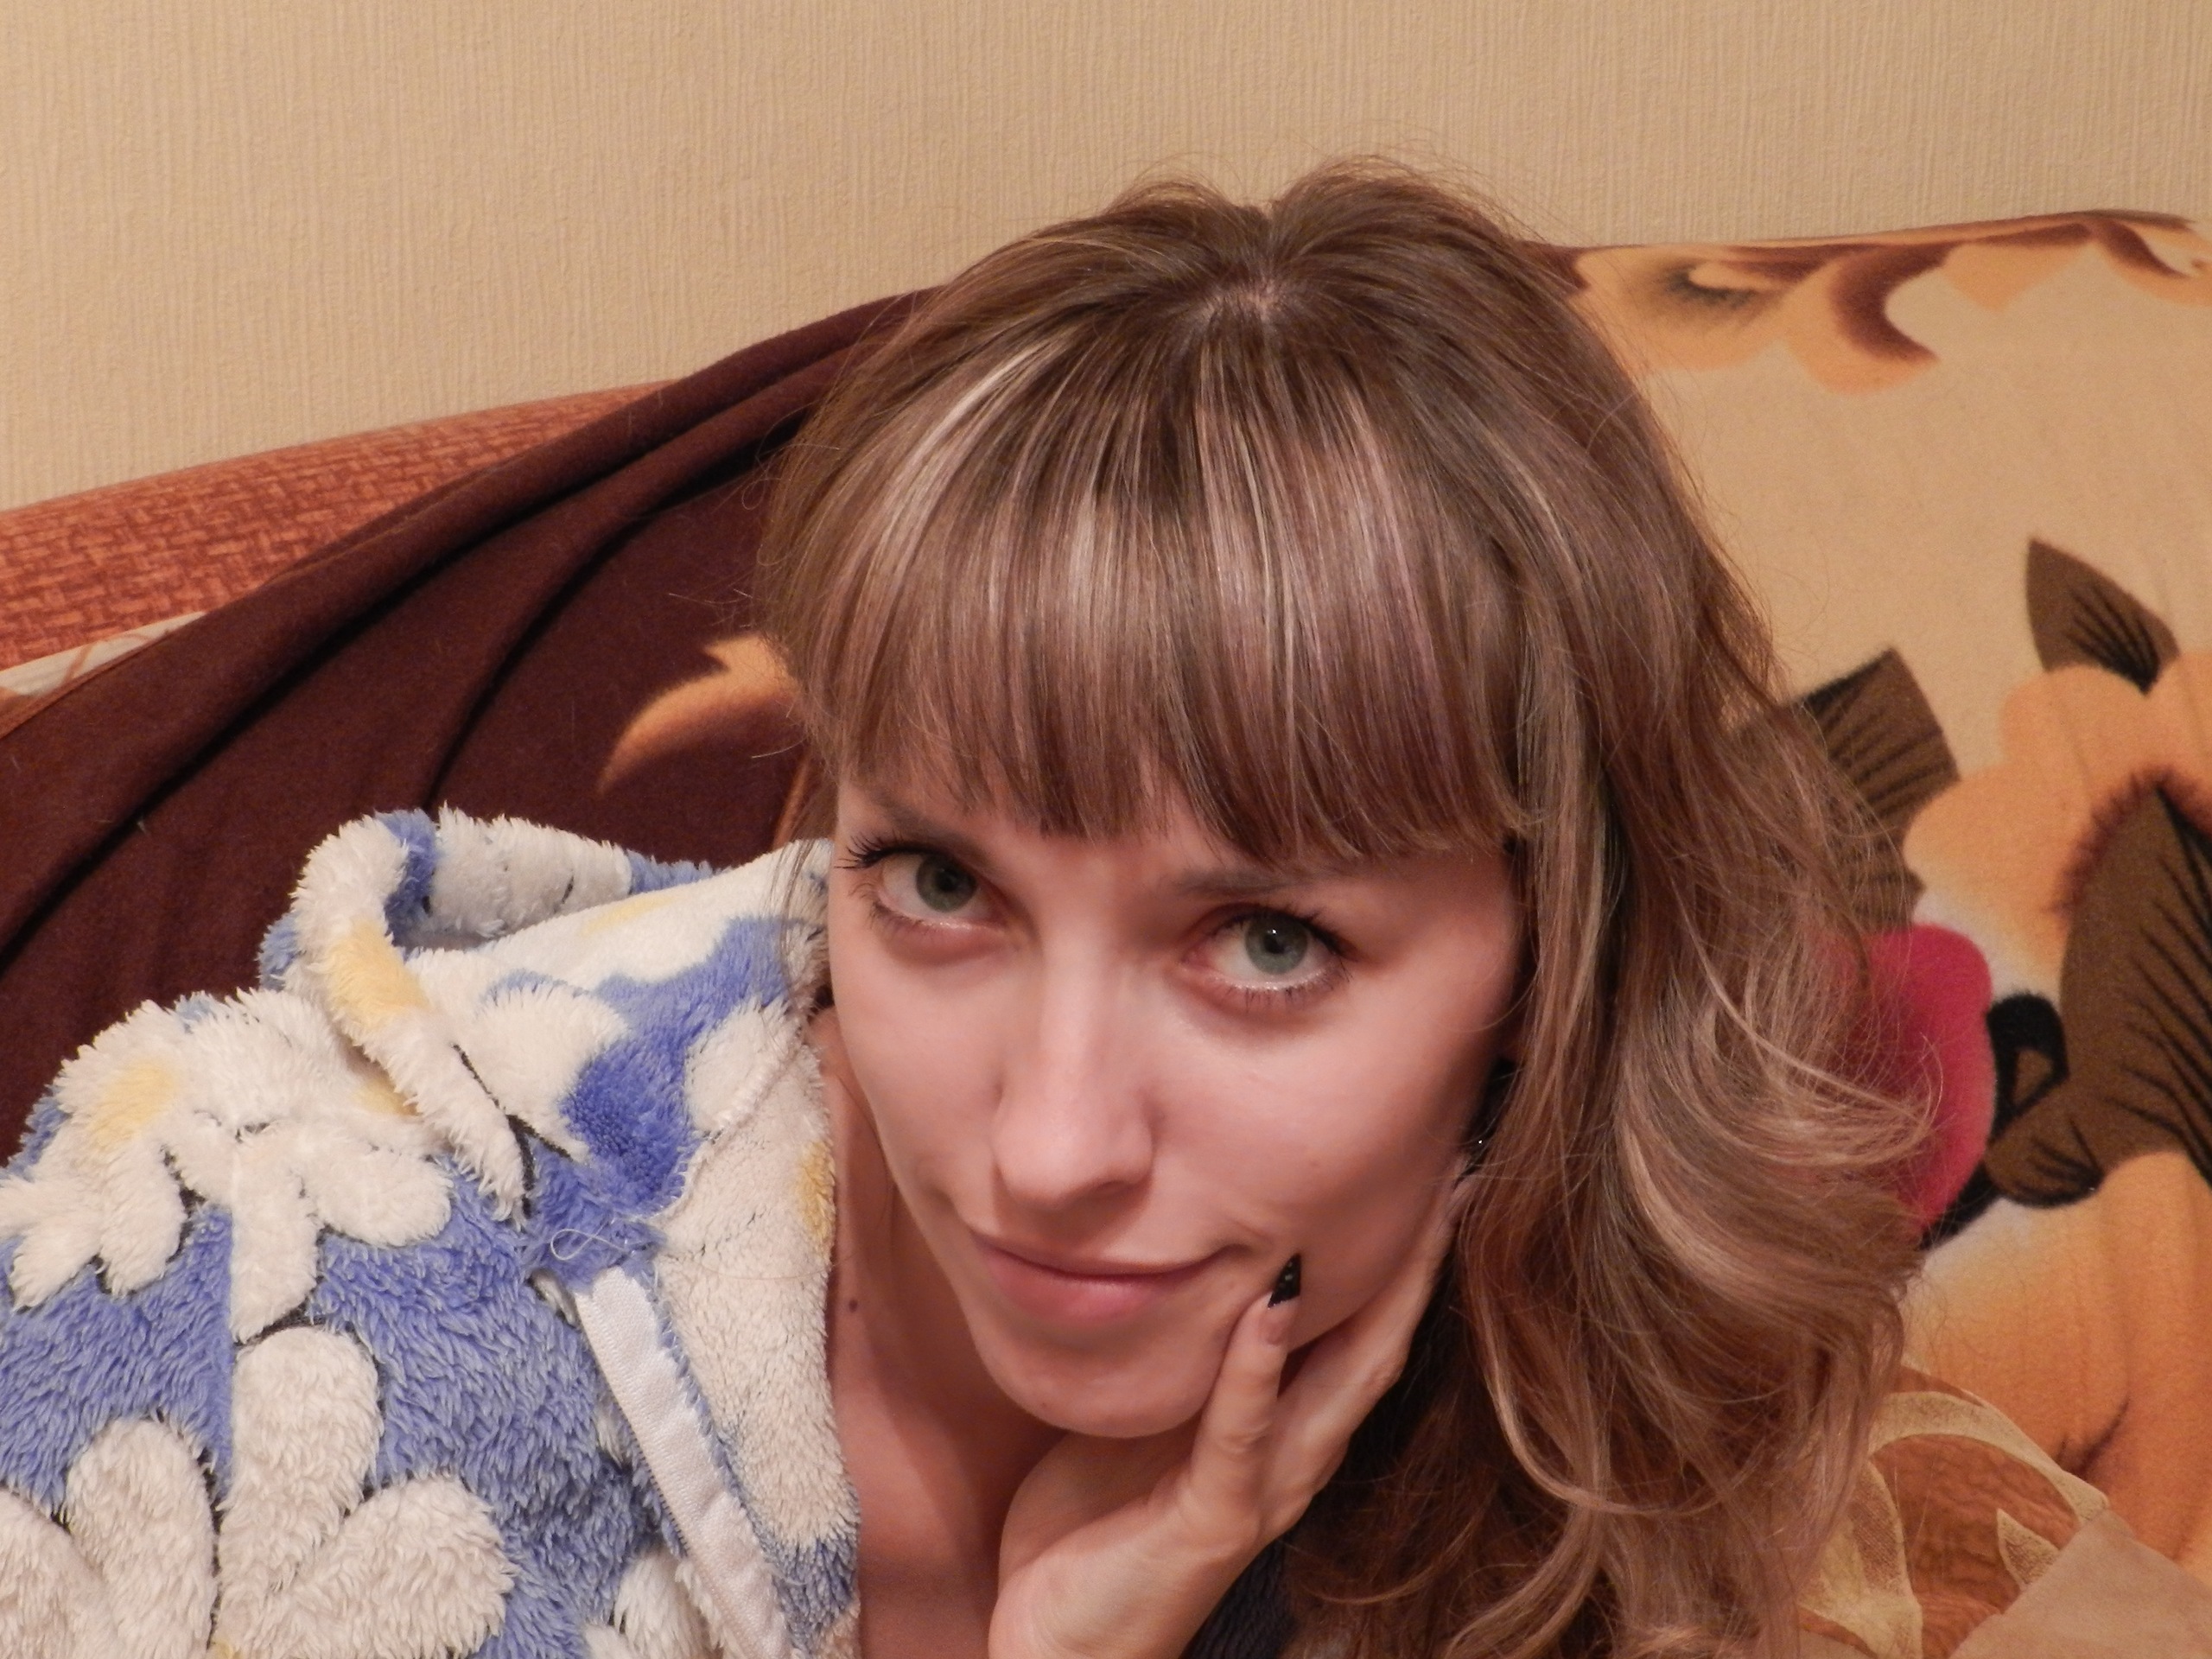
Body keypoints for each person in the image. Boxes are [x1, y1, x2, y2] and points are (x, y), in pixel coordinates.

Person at [0, 163, 2192, 1659]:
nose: (1048, 1147)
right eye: (942, 883)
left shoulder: (1645, 1403)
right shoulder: (267, 1327)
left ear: (1551, 959)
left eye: (1266, 945)